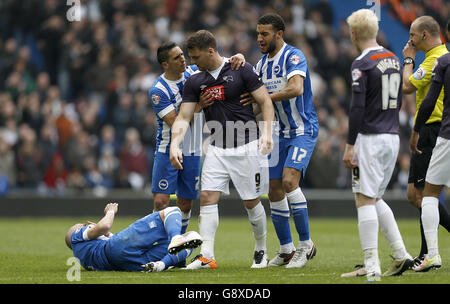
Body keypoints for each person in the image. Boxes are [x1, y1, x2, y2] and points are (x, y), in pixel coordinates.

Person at [170, 30, 274, 269]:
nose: (192, 62)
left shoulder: (241, 69)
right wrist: (175, 144)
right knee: (206, 197)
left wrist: (267, 133)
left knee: (251, 202)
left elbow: (265, 101)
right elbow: (184, 116)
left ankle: (261, 250)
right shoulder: (195, 81)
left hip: (247, 145)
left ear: (210, 51)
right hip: (217, 148)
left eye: (195, 57)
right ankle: (207, 255)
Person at [241, 13, 319, 268]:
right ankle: (286, 249)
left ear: (279, 34)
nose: (259, 38)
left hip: (301, 130)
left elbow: (296, 88)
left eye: (264, 34)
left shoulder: (293, 56)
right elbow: (254, 105)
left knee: (288, 181)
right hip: (276, 134)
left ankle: (306, 245)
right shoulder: (261, 64)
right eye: (257, 33)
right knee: (273, 188)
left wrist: (264, 98)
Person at [341, 9, 413, 278]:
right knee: (375, 197)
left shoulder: (362, 63)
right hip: (391, 136)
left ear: (354, 33)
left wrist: (350, 145)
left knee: (364, 199)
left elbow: (357, 107)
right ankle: (400, 253)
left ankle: (371, 266)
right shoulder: (393, 58)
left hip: (370, 138)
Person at [149, 42, 245, 234]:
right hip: (168, 148)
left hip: (192, 149)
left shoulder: (193, 72)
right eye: (176, 57)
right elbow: (175, 122)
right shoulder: (158, 90)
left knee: (185, 203)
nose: (183, 58)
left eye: (182, 54)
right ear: (165, 64)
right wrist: (198, 107)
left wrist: (239, 56)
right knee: (161, 201)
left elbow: (221, 62)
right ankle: (157, 242)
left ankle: (179, 245)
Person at [402, 15, 450, 268]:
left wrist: (407, 60)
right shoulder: (437, 57)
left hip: (432, 130)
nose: (409, 39)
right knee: (414, 194)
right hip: (429, 129)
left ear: (425, 35)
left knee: (424, 194)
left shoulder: (436, 59)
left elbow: (407, 86)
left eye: (412, 34)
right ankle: (427, 253)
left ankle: (427, 255)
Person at [65, 203, 203, 272]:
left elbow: (104, 237)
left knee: (191, 238)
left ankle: (161, 265)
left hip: (125, 263)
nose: (84, 224)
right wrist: (110, 212)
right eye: (81, 224)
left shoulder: (82, 258)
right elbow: (105, 226)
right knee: (171, 211)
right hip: (115, 248)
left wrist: (104, 235)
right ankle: (175, 237)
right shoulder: (76, 237)